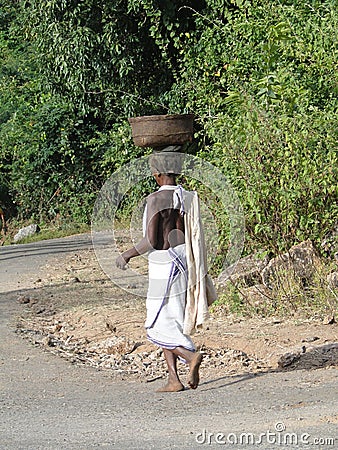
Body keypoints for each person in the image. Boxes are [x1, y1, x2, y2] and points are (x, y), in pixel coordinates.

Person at [116, 151, 216, 392]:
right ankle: (174, 379)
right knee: (171, 321)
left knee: (156, 324)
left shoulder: (155, 200)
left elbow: (151, 240)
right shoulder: (187, 198)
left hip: (163, 265)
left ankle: (190, 356)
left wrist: (126, 254)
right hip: (183, 260)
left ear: (157, 174)